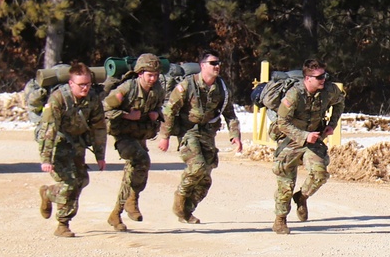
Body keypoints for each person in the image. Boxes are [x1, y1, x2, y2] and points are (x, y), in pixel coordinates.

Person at [156, 50, 242, 224]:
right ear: (202, 66)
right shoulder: (188, 85)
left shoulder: (221, 88)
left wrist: (235, 136)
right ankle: (179, 199)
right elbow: (170, 110)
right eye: (213, 63)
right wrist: (164, 136)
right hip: (189, 132)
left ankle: (187, 211)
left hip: (208, 133)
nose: (217, 66)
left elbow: (230, 113)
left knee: (205, 179)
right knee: (198, 167)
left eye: (218, 63)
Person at [270, 59, 345, 234]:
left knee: (320, 173)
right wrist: (304, 136)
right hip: (291, 139)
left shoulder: (328, 91)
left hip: (314, 138)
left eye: (324, 75)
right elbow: (282, 122)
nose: (323, 80)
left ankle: (302, 196)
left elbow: (340, 102)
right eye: (319, 77)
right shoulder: (294, 95)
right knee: (285, 183)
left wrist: (332, 124)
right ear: (307, 78)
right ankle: (280, 220)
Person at [38, 62, 107, 237]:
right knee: (69, 183)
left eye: (88, 84)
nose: (85, 88)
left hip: (77, 143)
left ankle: (47, 193)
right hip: (58, 143)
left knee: (82, 180)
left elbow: (99, 128)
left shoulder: (93, 99)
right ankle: (63, 224)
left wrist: (100, 155)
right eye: (81, 85)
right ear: (71, 83)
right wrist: (46, 158)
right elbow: (49, 129)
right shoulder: (59, 99)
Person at [103, 53, 165, 231]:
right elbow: (104, 109)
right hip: (122, 134)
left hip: (139, 134)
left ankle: (125, 205)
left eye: (155, 75)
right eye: (149, 75)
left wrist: (156, 114)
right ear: (140, 73)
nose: (152, 79)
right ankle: (122, 208)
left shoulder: (157, 90)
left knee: (140, 168)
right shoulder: (126, 88)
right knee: (139, 161)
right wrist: (127, 115)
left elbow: (158, 107)